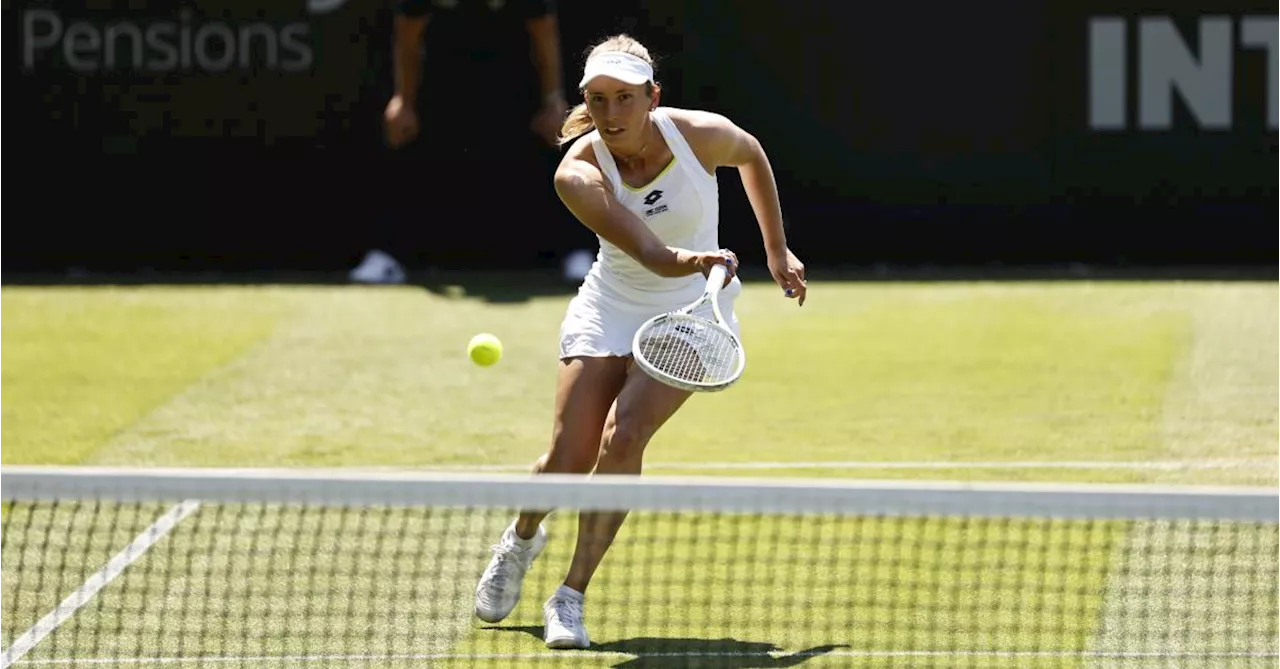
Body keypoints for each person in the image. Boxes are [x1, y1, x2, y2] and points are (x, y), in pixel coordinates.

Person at [470, 34, 808, 649]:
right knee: (569, 457)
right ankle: (520, 539)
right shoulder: (577, 172)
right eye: (598, 100)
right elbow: (651, 254)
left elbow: (752, 154)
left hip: (690, 313)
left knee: (623, 437)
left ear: (653, 97)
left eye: (625, 98)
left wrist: (776, 249)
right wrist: (698, 256)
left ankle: (570, 596)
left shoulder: (699, 134)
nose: (611, 114)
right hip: (614, 303)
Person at [349, 0, 569, 283]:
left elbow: (544, 33)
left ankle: (571, 251)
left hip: (512, 81)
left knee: (551, 138)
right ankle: (388, 255)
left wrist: (552, 100)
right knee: (404, 140)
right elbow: (408, 36)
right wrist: (404, 99)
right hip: (439, 81)